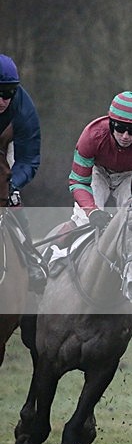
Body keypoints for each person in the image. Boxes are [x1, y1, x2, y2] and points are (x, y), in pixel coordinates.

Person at [66, 90, 132, 314]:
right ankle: (58, 262)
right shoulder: (91, 135)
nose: (126, 135)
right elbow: (78, 182)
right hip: (96, 173)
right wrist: (92, 212)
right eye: (120, 128)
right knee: (81, 220)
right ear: (110, 123)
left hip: (128, 177)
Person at [0, 53, 47, 292]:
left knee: (13, 202)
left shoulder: (23, 108)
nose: (1, 100)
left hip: (6, 151)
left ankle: (30, 260)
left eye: (7, 94)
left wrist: (13, 185)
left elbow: (28, 158)